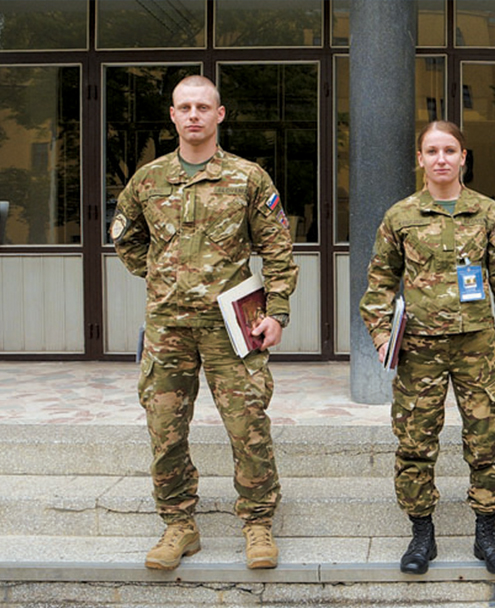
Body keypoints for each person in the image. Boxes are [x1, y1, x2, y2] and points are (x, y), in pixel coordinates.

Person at [110, 75, 298, 571]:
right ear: (173, 116)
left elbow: (278, 250)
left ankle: (258, 524)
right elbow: (126, 239)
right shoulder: (147, 180)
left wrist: (277, 311)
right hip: (168, 326)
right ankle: (179, 525)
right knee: (165, 429)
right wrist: (162, 275)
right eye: (185, 107)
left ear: (219, 115)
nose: (194, 115)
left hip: (232, 326)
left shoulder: (247, 178)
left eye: (203, 107)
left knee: (248, 424)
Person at [359, 121, 495, 575]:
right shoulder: (401, 217)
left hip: (478, 348)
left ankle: (487, 534)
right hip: (419, 351)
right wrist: (381, 336)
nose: (441, 159)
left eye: (449, 150)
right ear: (420, 159)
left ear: (463, 157)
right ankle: (421, 535)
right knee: (415, 442)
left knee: (487, 440)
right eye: (431, 151)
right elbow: (379, 283)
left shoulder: (489, 214)